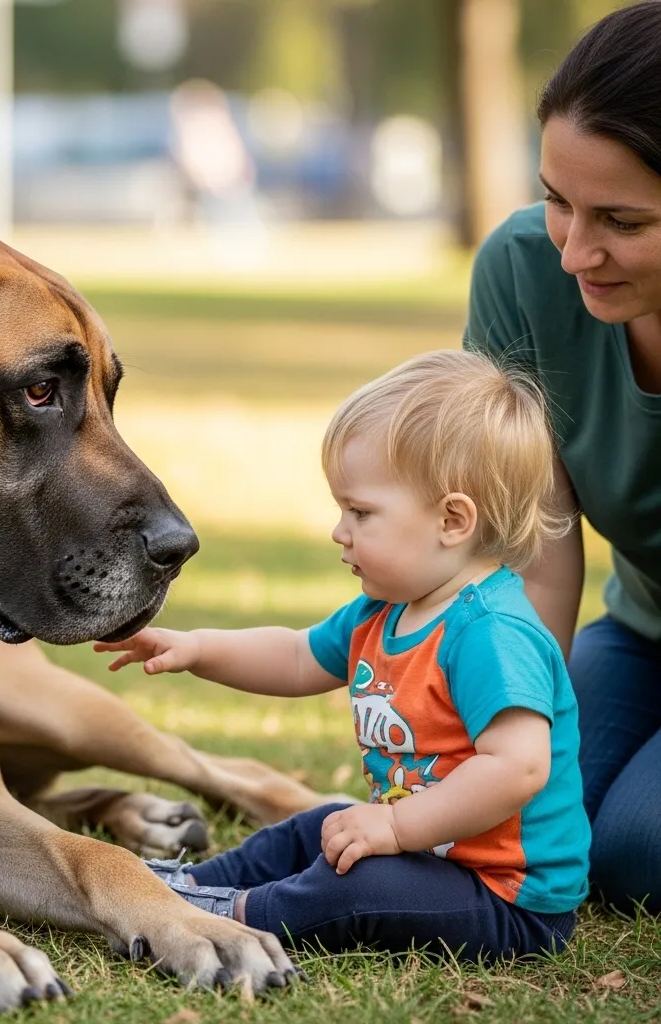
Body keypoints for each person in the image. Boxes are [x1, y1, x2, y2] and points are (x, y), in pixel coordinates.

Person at [95, 350, 590, 960]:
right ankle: (191, 883)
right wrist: (196, 648)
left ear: (452, 520)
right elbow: (299, 657)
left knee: (356, 882)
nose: (339, 530)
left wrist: (396, 827)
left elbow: (518, 769)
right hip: (428, 853)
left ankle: (231, 914)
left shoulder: (492, 633)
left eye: (360, 512)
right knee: (319, 823)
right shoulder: (384, 612)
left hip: (503, 897)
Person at [463, 0, 661, 915]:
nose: (577, 251)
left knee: (636, 852)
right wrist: (504, 719)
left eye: (621, 219)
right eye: (557, 199)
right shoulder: (520, 271)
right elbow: (538, 546)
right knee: (512, 830)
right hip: (642, 633)